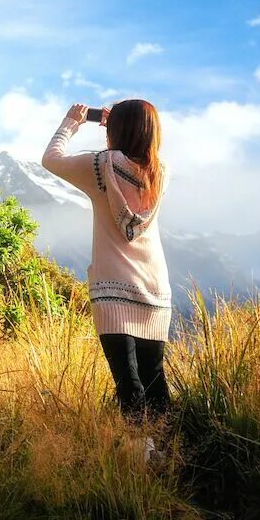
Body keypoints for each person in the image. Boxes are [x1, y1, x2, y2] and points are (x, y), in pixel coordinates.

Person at [41, 100, 171, 453]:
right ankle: (171, 455)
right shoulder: (159, 172)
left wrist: (72, 122)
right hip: (155, 288)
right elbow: (131, 157)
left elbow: (51, 160)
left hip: (114, 286)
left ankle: (139, 457)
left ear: (115, 128)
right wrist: (122, 132)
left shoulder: (100, 166)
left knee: (127, 380)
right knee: (154, 377)